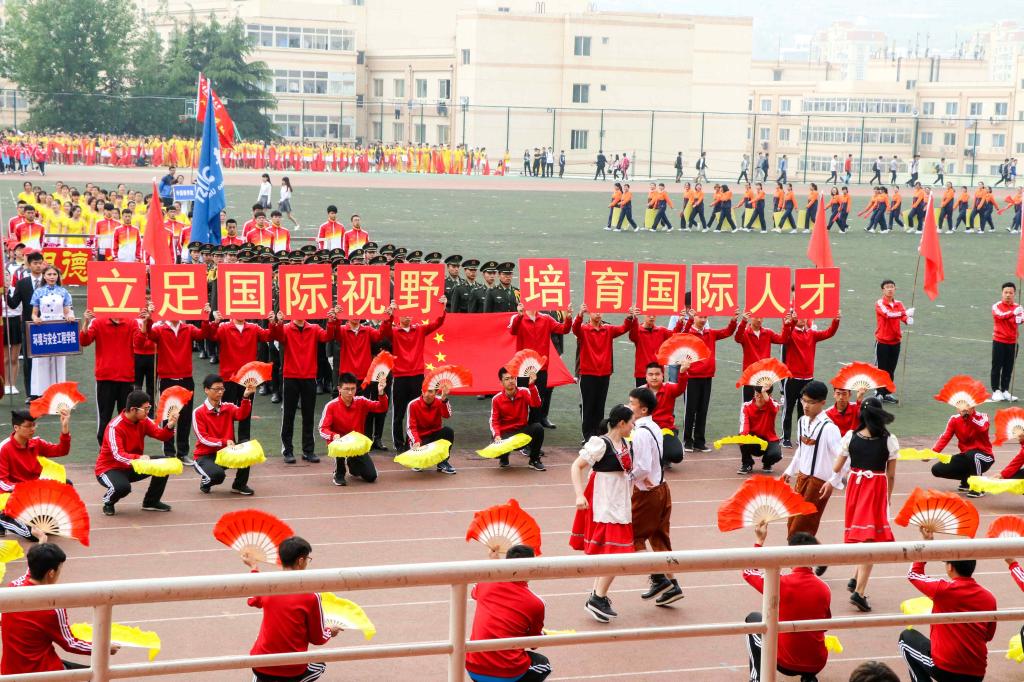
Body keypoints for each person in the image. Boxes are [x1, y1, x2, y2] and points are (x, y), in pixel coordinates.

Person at [821, 397, 898, 613]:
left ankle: (856, 578)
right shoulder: (889, 440)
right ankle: (859, 592)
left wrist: (840, 471)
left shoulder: (850, 436)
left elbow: (837, 466)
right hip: (875, 488)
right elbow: (891, 475)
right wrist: (888, 497)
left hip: (855, 487)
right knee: (871, 540)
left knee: (864, 535)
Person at [898, 525, 996, 682]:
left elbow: (913, 574)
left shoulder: (943, 590)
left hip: (945, 667)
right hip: (977, 671)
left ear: (950, 567)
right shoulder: (989, 597)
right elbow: (988, 636)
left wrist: (926, 543)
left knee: (906, 638)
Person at [0, 544, 118, 674]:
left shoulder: (13, 588)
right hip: (42, 672)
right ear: (51, 573)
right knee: (95, 675)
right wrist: (103, 647)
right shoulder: (53, 607)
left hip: (9, 671)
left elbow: (29, 571)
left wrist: (41, 545)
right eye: (60, 569)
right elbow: (70, 643)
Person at [742, 521, 831, 682]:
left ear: (790, 555)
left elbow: (748, 572)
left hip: (785, 662)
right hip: (817, 662)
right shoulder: (824, 588)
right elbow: (824, 626)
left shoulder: (779, 583)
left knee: (753, 620)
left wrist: (759, 541)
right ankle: (808, 677)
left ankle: (757, 679)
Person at [570, 404, 634, 622]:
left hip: (619, 501)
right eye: (631, 423)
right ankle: (598, 597)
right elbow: (576, 466)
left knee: (611, 553)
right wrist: (579, 495)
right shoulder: (600, 443)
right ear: (622, 423)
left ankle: (597, 597)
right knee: (616, 553)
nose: (633, 427)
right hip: (604, 501)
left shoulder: (625, 443)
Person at [245, 536, 341, 682]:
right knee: (319, 666)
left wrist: (254, 567)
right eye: (308, 559)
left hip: (260, 664)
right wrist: (330, 631)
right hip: (292, 670)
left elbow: (252, 600)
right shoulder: (311, 597)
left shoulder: (268, 586)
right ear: (300, 561)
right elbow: (318, 638)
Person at [628, 388, 683, 606]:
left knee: (632, 537)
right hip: (662, 488)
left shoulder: (640, 432)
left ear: (643, 409)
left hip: (647, 492)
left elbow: (642, 466)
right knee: (659, 538)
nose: (629, 406)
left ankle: (658, 577)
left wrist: (628, 479)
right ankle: (673, 585)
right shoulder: (654, 427)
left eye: (632, 403)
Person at [465, 544, 551, 682]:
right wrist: (542, 634)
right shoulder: (536, 603)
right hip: (507, 671)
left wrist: (494, 563)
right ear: (531, 568)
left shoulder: (484, 584)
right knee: (544, 665)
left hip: (474, 667)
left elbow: (475, 592)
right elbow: (534, 644)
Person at [144, 304, 212, 463]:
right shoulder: (160, 329)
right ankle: (169, 452)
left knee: (185, 417)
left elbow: (204, 334)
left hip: (186, 378)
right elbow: (149, 334)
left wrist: (206, 318)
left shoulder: (188, 328)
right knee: (167, 416)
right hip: (167, 379)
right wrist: (149, 318)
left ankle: (182, 452)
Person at [95, 389, 178, 515]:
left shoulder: (144, 420)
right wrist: (139, 458)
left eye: (149, 407)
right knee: (123, 488)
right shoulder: (114, 427)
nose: (148, 411)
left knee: (165, 464)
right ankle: (108, 501)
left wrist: (170, 425)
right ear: (133, 409)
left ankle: (151, 502)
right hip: (109, 469)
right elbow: (118, 455)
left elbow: (161, 435)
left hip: (133, 465)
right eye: (145, 408)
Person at [271, 310, 338, 464]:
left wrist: (331, 321)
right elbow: (277, 336)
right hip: (290, 377)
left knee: (308, 416)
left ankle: (308, 451)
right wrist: (279, 322)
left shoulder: (314, 328)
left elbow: (327, 336)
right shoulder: (286, 328)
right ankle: (287, 450)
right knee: (288, 415)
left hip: (309, 376)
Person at [381, 297, 446, 451]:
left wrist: (442, 308)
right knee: (399, 414)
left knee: (417, 411)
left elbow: (437, 323)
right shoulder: (394, 332)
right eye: (404, 313)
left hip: (417, 376)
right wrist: (389, 315)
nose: (407, 316)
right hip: (400, 377)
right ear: (399, 315)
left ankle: (413, 442)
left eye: (410, 313)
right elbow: (383, 332)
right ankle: (399, 445)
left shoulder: (420, 329)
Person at [782, 381, 841, 541]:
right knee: (791, 523)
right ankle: (802, 556)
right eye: (804, 400)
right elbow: (801, 450)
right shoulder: (802, 421)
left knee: (802, 529)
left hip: (818, 484)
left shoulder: (829, 428)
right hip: (801, 478)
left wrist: (833, 481)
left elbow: (843, 458)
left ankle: (802, 556)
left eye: (811, 402)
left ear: (822, 403)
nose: (806, 406)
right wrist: (789, 470)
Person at [0, 408, 70, 540]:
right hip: (9, 495)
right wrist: (23, 489)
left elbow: (62, 450)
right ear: (16, 427)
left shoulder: (36, 443)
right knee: (34, 535)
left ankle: (32, 516)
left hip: (30, 493)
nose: (32, 429)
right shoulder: (4, 448)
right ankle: (2, 517)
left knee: (66, 484)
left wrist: (65, 428)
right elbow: (2, 482)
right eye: (28, 426)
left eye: (34, 425)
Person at [208, 310, 278, 442]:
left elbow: (269, 336)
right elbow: (211, 336)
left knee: (246, 412)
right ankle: (228, 441)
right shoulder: (224, 328)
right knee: (226, 412)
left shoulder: (253, 328)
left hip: (248, 380)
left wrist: (272, 322)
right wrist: (215, 322)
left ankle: (244, 442)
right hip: (229, 378)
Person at [680, 311, 738, 452]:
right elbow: (681, 336)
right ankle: (687, 440)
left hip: (707, 377)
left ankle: (699, 441)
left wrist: (733, 320)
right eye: (700, 317)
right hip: (692, 377)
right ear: (694, 317)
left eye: (705, 317)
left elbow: (727, 332)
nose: (703, 319)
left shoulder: (710, 333)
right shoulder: (689, 333)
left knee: (702, 410)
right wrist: (689, 321)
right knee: (690, 410)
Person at [572, 304, 631, 442]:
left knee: (600, 406)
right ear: (589, 313)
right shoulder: (584, 329)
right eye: (595, 311)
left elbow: (623, 328)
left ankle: (598, 435)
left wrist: (629, 317)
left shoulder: (608, 329)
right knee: (588, 407)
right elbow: (575, 329)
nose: (598, 314)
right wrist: (579, 315)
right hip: (587, 374)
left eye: (600, 311)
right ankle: (587, 436)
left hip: (604, 374)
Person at [780, 313, 841, 447]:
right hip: (792, 378)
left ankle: (801, 436)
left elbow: (829, 333)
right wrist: (790, 323)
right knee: (788, 409)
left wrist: (835, 321)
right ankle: (785, 438)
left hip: (808, 378)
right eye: (799, 316)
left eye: (804, 316)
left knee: (804, 410)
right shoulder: (790, 333)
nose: (803, 319)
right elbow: (784, 336)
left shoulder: (811, 334)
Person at [319, 372, 388, 486]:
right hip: (339, 443)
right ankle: (339, 472)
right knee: (340, 446)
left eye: (353, 389)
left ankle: (352, 464)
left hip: (356, 444)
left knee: (371, 476)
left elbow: (381, 407)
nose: (350, 392)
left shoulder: (361, 401)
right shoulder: (331, 406)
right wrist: (333, 436)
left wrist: (381, 392)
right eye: (346, 389)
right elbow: (322, 429)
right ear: (339, 389)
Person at [509, 304, 572, 428]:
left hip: (541, 368)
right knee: (523, 399)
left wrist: (568, 318)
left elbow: (564, 329)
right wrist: (519, 315)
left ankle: (535, 426)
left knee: (538, 399)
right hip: (523, 369)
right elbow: (513, 330)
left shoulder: (546, 319)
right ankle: (521, 425)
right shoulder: (519, 318)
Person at [192, 374, 255, 496]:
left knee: (246, 446)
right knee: (218, 476)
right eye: (216, 389)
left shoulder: (228, 407)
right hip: (205, 456)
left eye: (222, 389)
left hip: (226, 453)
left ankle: (239, 485)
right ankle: (206, 481)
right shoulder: (198, 412)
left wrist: (246, 397)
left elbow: (242, 414)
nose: (220, 392)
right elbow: (202, 438)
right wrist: (224, 441)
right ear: (206, 390)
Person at [930, 398, 993, 498]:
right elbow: (945, 437)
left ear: (973, 406)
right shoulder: (954, 419)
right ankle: (967, 479)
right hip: (966, 456)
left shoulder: (983, 416)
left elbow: (982, 428)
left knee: (972, 455)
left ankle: (978, 486)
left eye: (967, 406)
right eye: (960, 407)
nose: (963, 409)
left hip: (985, 456)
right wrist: (932, 453)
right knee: (937, 469)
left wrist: (968, 417)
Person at [29, 265, 74, 397]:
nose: (52, 277)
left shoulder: (64, 292)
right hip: (43, 326)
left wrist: (69, 316)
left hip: (59, 327)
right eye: (49, 274)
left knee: (59, 360)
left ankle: (59, 392)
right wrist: (35, 319)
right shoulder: (38, 292)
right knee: (42, 360)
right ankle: (41, 394)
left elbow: (67, 311)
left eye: (54, 274)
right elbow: (34, 313)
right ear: (44, 276)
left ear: (58, 276)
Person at [489, 367, 545, 470]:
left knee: (538, 428)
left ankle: (534, 460)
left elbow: (536, 404)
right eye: (507, 379)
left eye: (512, 378)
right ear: (501, 382)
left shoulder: (524, 391)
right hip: (506, 434)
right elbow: (494, 421)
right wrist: (497, 436)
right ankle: (504, 457)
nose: (510, 381)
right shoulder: (496, 399)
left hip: (522, 432)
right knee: (495, 441)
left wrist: (532, 385)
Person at [734, 312, 790, 403]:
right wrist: (743, 321)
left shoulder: (768, 332)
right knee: (748, 404)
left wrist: (786, 325)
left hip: (765, 375)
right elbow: (737, 338)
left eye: (761, 317)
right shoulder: (745, 333)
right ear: (751, 317)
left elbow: (783, 339)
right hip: (750, 376)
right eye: (756, 317)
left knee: (765, 403)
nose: (759, 320)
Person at [641, 362, 687, 466]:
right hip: (645, 430)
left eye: (657, 374)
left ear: (662, 376)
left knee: (676, 455)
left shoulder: (669, 388)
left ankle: (664, 453)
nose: (654, 377)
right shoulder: (640, 392)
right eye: (651, 374)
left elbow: (681, 388)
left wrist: (682, 372)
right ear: (646, 377)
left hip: (665, 429)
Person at [405, 382, 457, 474]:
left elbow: (447, 415)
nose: (426, 394)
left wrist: (444, 399)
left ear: (436, 392)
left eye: (430, 391)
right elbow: (411, 427)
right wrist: (416, 441)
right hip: (420, 438)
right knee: (420, 461)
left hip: (435, 435)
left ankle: (442, 462)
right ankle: (418, 460)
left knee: (448, 431)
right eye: (424, 391)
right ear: (421, 391)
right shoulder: (413, 404)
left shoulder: (440, 401)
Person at [874, 280, 912, 403]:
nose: (890, 289)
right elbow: (888, 314)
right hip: (883, 341)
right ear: (883, 290)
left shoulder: (899, 303)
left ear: (895, 289)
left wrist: (907, 319)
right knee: (881, 369)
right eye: (887, 287)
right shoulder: (879, 303)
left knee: (891, 369)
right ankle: (879, 393)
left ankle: (887, 393)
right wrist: (904, 313)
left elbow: (902, 316)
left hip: (895, 341)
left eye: (892, 287)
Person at [738, 386, 783, 474]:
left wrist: (764, 392)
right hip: (753, 440)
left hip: (769, 439)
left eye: (761, 395)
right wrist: (743, 436)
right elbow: (744, 424)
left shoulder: (774, 404)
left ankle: (767, 463)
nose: (758, 398)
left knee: (776, 455)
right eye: (756, 394)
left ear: (769, 395)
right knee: (741, 437)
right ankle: (747, 463)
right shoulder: (746, 406)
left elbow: (773, 407)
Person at [990, 282, 1022, 402]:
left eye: (1011, 293)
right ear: (1002, 293)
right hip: (999, 341)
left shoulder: (1018, 307)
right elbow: (1000, 316)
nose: (1008, 295)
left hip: (1013, 342)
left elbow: (1021, 320)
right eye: (1006, 292)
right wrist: (1013, 313)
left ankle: (1005, 390)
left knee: (1008, 367)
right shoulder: (996, 306)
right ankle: (996, 390)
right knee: (997, 366)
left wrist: (1020, 319)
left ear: (1014, 294)